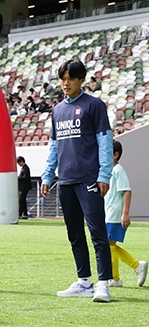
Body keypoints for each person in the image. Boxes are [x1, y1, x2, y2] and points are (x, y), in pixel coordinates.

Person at [41, 59, 114, 303]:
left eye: (71, 78)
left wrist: (104, 174)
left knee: (97, 232)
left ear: (81, 80)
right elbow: (54, 145)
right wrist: (47, 175)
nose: (66, 83)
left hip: (89, 178)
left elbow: (105, 141)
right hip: (66, 181)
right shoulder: (57, 110)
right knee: (74, 233)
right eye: (63, 78)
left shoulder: (94, 105)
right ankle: (84, 281)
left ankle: (103, 284)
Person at [106, 140, 147, 288]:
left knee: (109, 244)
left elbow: (127, 191)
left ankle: (116, 279)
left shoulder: (118, 170)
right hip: (108, 213)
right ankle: (136, 265)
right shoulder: (109, 170)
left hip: (115, 214)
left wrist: (125, 213)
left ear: (116, 155)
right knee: (108, 244)